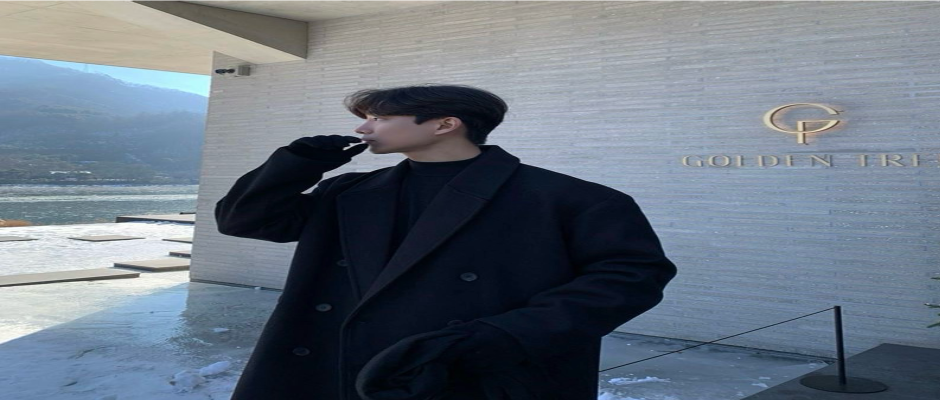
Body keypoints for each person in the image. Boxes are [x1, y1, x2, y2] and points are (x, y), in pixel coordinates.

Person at [214, 84, 677, 400]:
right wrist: (295, 164)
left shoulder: (569, 198)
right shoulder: (349, 192)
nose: (363, 129)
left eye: (380, 117)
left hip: (473, 371)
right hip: (336, 366)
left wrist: (502, 335)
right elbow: (245, 221)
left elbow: (632, 277)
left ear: (444, 124)